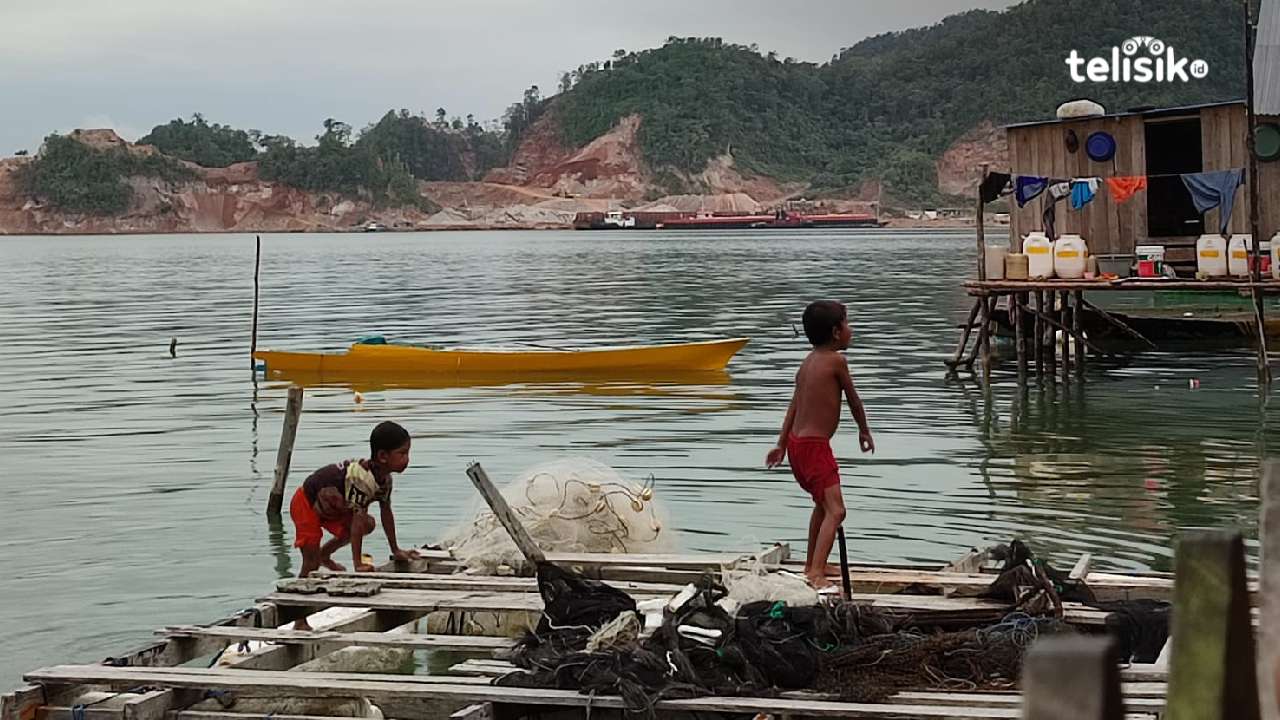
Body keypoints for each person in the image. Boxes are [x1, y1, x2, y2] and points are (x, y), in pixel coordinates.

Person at [766, 300, 874, 589]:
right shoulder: (836, 361)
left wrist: (781, 445)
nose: (851, 330)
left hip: (797, 445)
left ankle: (814, 562)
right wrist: (864, 430)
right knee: (837, 511)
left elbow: (794, 404)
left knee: (821, 506)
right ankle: (815, 573)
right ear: (837, 332)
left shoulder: (807, 362)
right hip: (814, 447)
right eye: (848, 324)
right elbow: (853, 399)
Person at [290, 420, 420, 582]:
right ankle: (299, 590)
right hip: (307, 503)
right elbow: (356, 524)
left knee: (368, 524)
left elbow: (386, 513)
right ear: (383, 456)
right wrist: (358, 564)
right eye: (402, 454)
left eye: (407, 453)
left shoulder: (384, 480)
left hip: (334, 507)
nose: (407, 459)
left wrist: (396, 549)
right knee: (311, 564)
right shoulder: (363, 480)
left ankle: (325, 554)